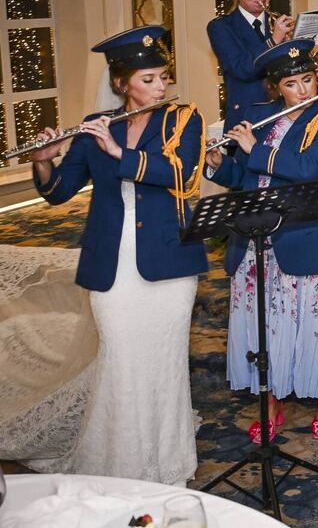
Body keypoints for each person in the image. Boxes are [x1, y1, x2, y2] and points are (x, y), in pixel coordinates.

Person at [30, 25, 208, 485]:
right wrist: (45, 158)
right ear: (121, 83)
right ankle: (123, 468)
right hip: (113, 263)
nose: (160, 87)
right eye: (148, 79)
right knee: (122, 360)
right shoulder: (95, 127)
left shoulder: (184, 118)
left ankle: (166, 463)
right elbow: (58, 192)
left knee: (165, 362)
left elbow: (182, 173)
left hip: (169, 261)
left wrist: (119, 153)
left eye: (163, 76)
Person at [204, 38, 318, 442]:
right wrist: (220, 167)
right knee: (266, 326)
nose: (304, 90)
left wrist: (254, 151)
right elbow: (245, 180)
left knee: (316, 324)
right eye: (293, 83)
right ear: (277, 88)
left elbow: (314, 169)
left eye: (308, 79)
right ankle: (271, 401)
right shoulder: (259, 118)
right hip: (257, 240)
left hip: (306, 236)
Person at [207, 0, 295, 126]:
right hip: (246, 118)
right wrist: (274, 41)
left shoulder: (276, 23)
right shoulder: (220, 27)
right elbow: (242, 69)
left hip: (283, 114)